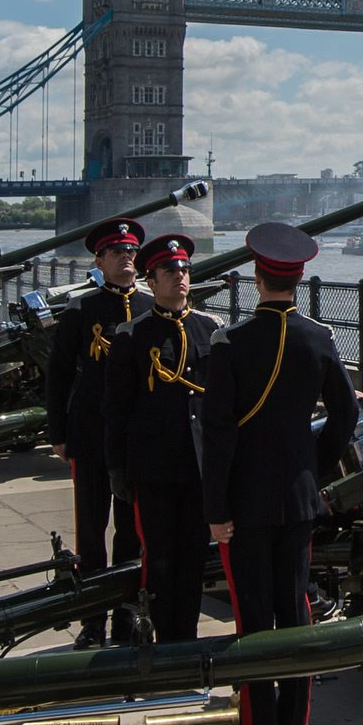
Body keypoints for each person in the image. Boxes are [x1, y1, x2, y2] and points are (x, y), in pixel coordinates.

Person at [200, 222, 357, 725]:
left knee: (252, 617)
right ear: (300, 276)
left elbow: (218, 435)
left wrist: (215, 510)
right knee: (296, 610)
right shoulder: (320, 338)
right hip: (299, 498)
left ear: (256, 275)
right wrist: (316, 468)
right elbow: (347, 412)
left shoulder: (230, 342)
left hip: (244, 503)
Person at [103, 232, 217, 645]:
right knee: (159, 557)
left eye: (184, 270)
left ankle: (183, 635)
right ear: (151, 281)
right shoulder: (132, 335)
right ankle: (154, 632)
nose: (179, 277)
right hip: (153, 466)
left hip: (198, 467)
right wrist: (117, 468)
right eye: (169, 271)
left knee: (193, 556)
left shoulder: (211, 330)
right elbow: (116, 409)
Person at [45, 217, 147, 646]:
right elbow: (59, 374)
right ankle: (92, 619)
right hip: (90, 432)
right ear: (99, 261)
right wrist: (58, 432)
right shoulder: (81, 310)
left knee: (131, 531)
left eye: (130, 253)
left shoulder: (148, 307)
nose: (126, 258)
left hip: (134, 438)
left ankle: (125, 614)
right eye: (116, 253)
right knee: (91, 530)